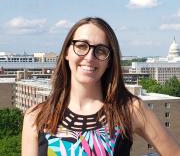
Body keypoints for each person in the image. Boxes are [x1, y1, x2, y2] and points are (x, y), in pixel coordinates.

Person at [22, 17, 180, 156]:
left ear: (109, 60)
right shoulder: (36, 116)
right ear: (66, 52)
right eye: (81, 46)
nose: (90, 57)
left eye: (101, 50)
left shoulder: (129, 110)